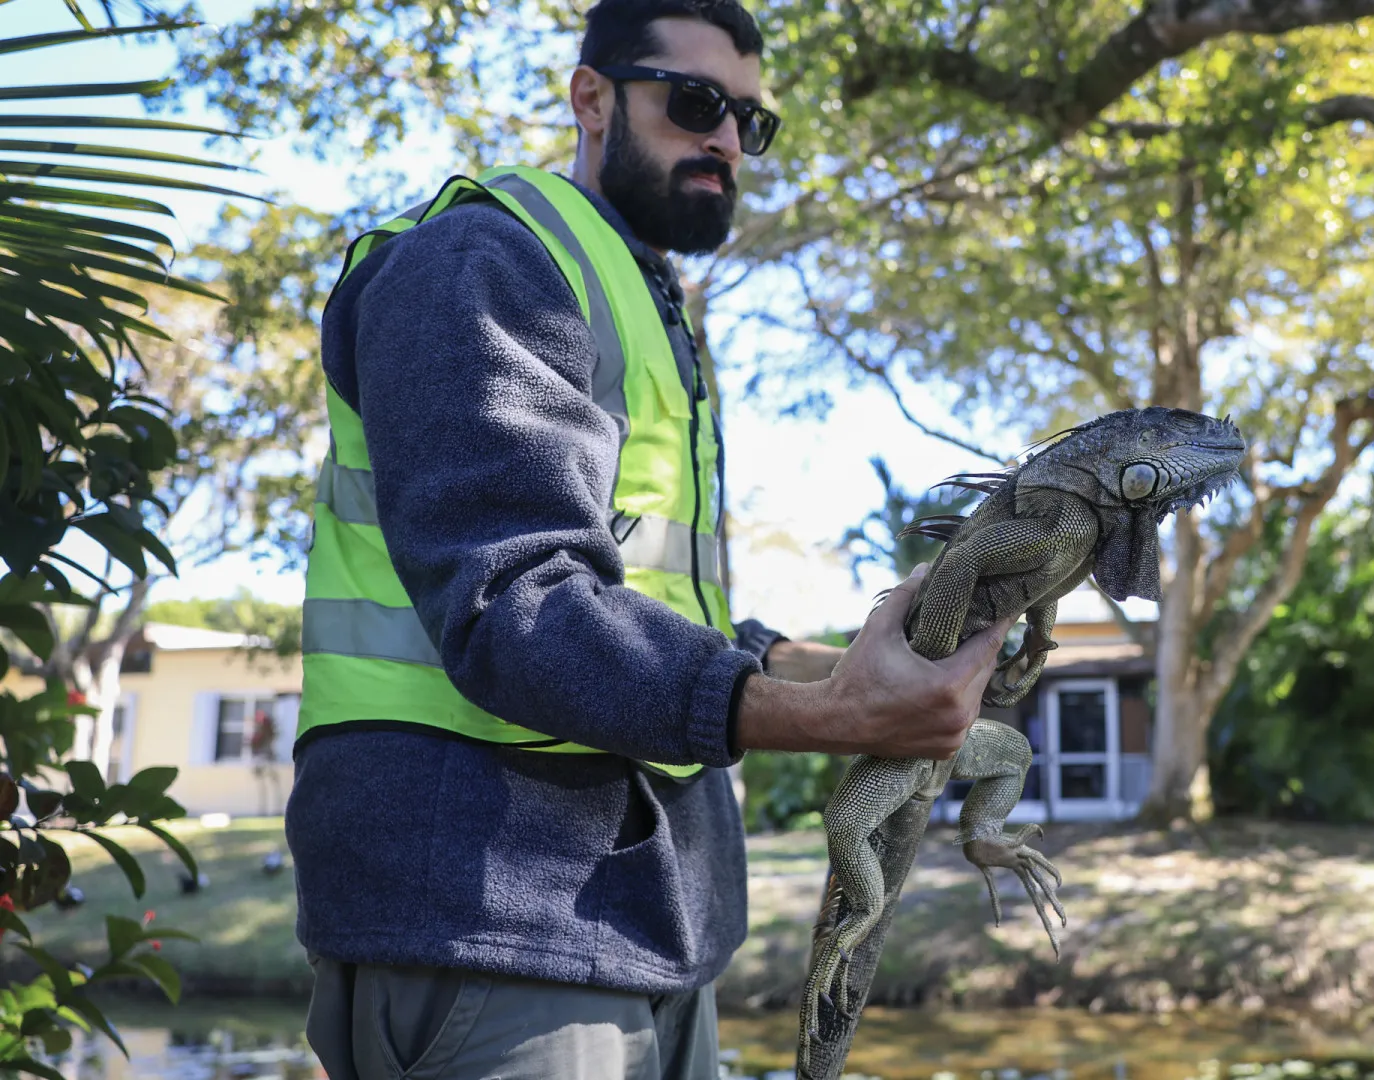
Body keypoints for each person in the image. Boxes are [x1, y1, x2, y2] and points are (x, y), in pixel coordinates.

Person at [284, 1, 1016, 1077]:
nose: (725, 138)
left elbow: (656, 605)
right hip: (488, 926)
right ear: (591, 98)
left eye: (749, 123)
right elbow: (518, 604)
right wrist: (826, 711)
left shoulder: (639, 296)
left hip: (646, 932)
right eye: (695, 103)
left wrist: (839, 664)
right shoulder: (481, 263)